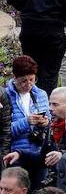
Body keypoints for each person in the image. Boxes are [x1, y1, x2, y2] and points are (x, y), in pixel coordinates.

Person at [2, 56, 50, 187]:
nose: (28, 84)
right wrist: (26, 122)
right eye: (23, 81)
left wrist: (45, 122)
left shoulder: (41, 94)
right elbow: (4, 130)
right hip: (16, 154)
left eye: (32, 80)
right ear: (14, 77)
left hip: (38, 152)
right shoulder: (5, 96)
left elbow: (50, 120)